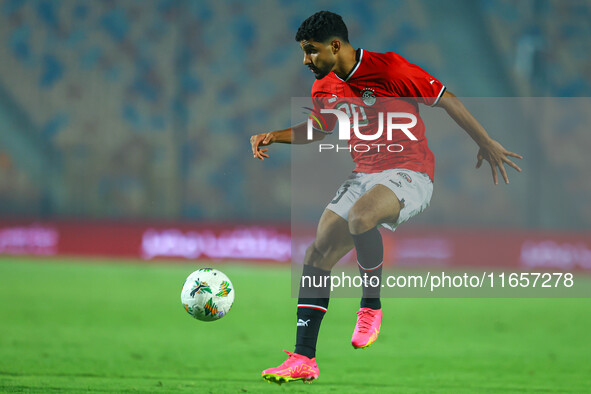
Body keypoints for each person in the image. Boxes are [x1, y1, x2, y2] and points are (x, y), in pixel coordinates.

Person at [250, 11, 522, 384]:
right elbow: (319, 128)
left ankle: (371, 306)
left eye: (311, 51)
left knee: (362, 217)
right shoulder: (323, 87)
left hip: (410, 172)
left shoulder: (390, 70)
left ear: (335, 45)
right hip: (364, 175)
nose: (305, 60)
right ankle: (303, 358)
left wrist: (486, 142)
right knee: (316, 254)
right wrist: (273, 136)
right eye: (303, 52)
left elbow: (446, 99)